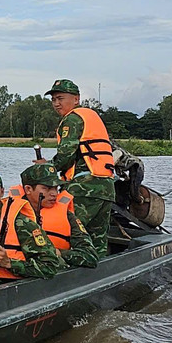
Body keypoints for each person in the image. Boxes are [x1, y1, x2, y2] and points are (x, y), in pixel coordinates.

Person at [45, 79, 115, 258]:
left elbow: (65, 155)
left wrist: (45, 170)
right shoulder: (90, 116)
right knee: (97, 239)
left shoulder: (72, 119)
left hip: (85, 186)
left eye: (60, 98)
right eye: (53, 100)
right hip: (106, 187)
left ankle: (62, 272)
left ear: (76, 99)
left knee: (65, 230)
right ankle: (99, 272)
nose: (56, 103)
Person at [0, 167, 64, 286]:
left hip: (11, 287)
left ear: (2, 192)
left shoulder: (21, 223)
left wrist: (10, 263)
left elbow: (50, 267)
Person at [20, 161, 98, 269]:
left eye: (55, 188)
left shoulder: (67, 216)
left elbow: (90, 256)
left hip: (53, 272)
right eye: (46, 188)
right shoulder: (9, 213)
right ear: (28, 189)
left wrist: (59, 253)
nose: (54, 194)